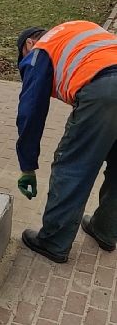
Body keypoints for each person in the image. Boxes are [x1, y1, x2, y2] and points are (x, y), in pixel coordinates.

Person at [16, 20, 117, 262]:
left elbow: (31, 112)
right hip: (108, 78)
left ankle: (53, 241)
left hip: (106, 90)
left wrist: (27, 167)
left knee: (73, 166)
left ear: (29, 43)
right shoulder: (78, 29)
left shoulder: (41, 50)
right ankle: (105, 230)